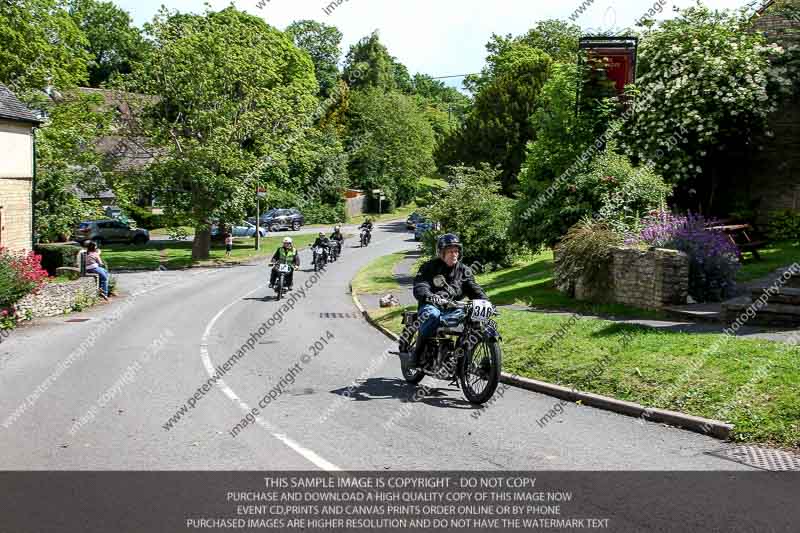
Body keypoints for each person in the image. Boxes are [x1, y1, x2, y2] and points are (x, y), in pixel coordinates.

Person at [410, 234, 487, 366]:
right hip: (431, 305)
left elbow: (474, 288)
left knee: (473, 320)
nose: (454, 254)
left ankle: (461, 358)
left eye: (456, 251)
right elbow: (420, 285)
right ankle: (417, 354)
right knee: (432, 315)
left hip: (453, 307)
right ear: (441, 252)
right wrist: (430, 296)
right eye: (450, 251)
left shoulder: (463, 270)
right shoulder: (429, 267)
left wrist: (485, 301)